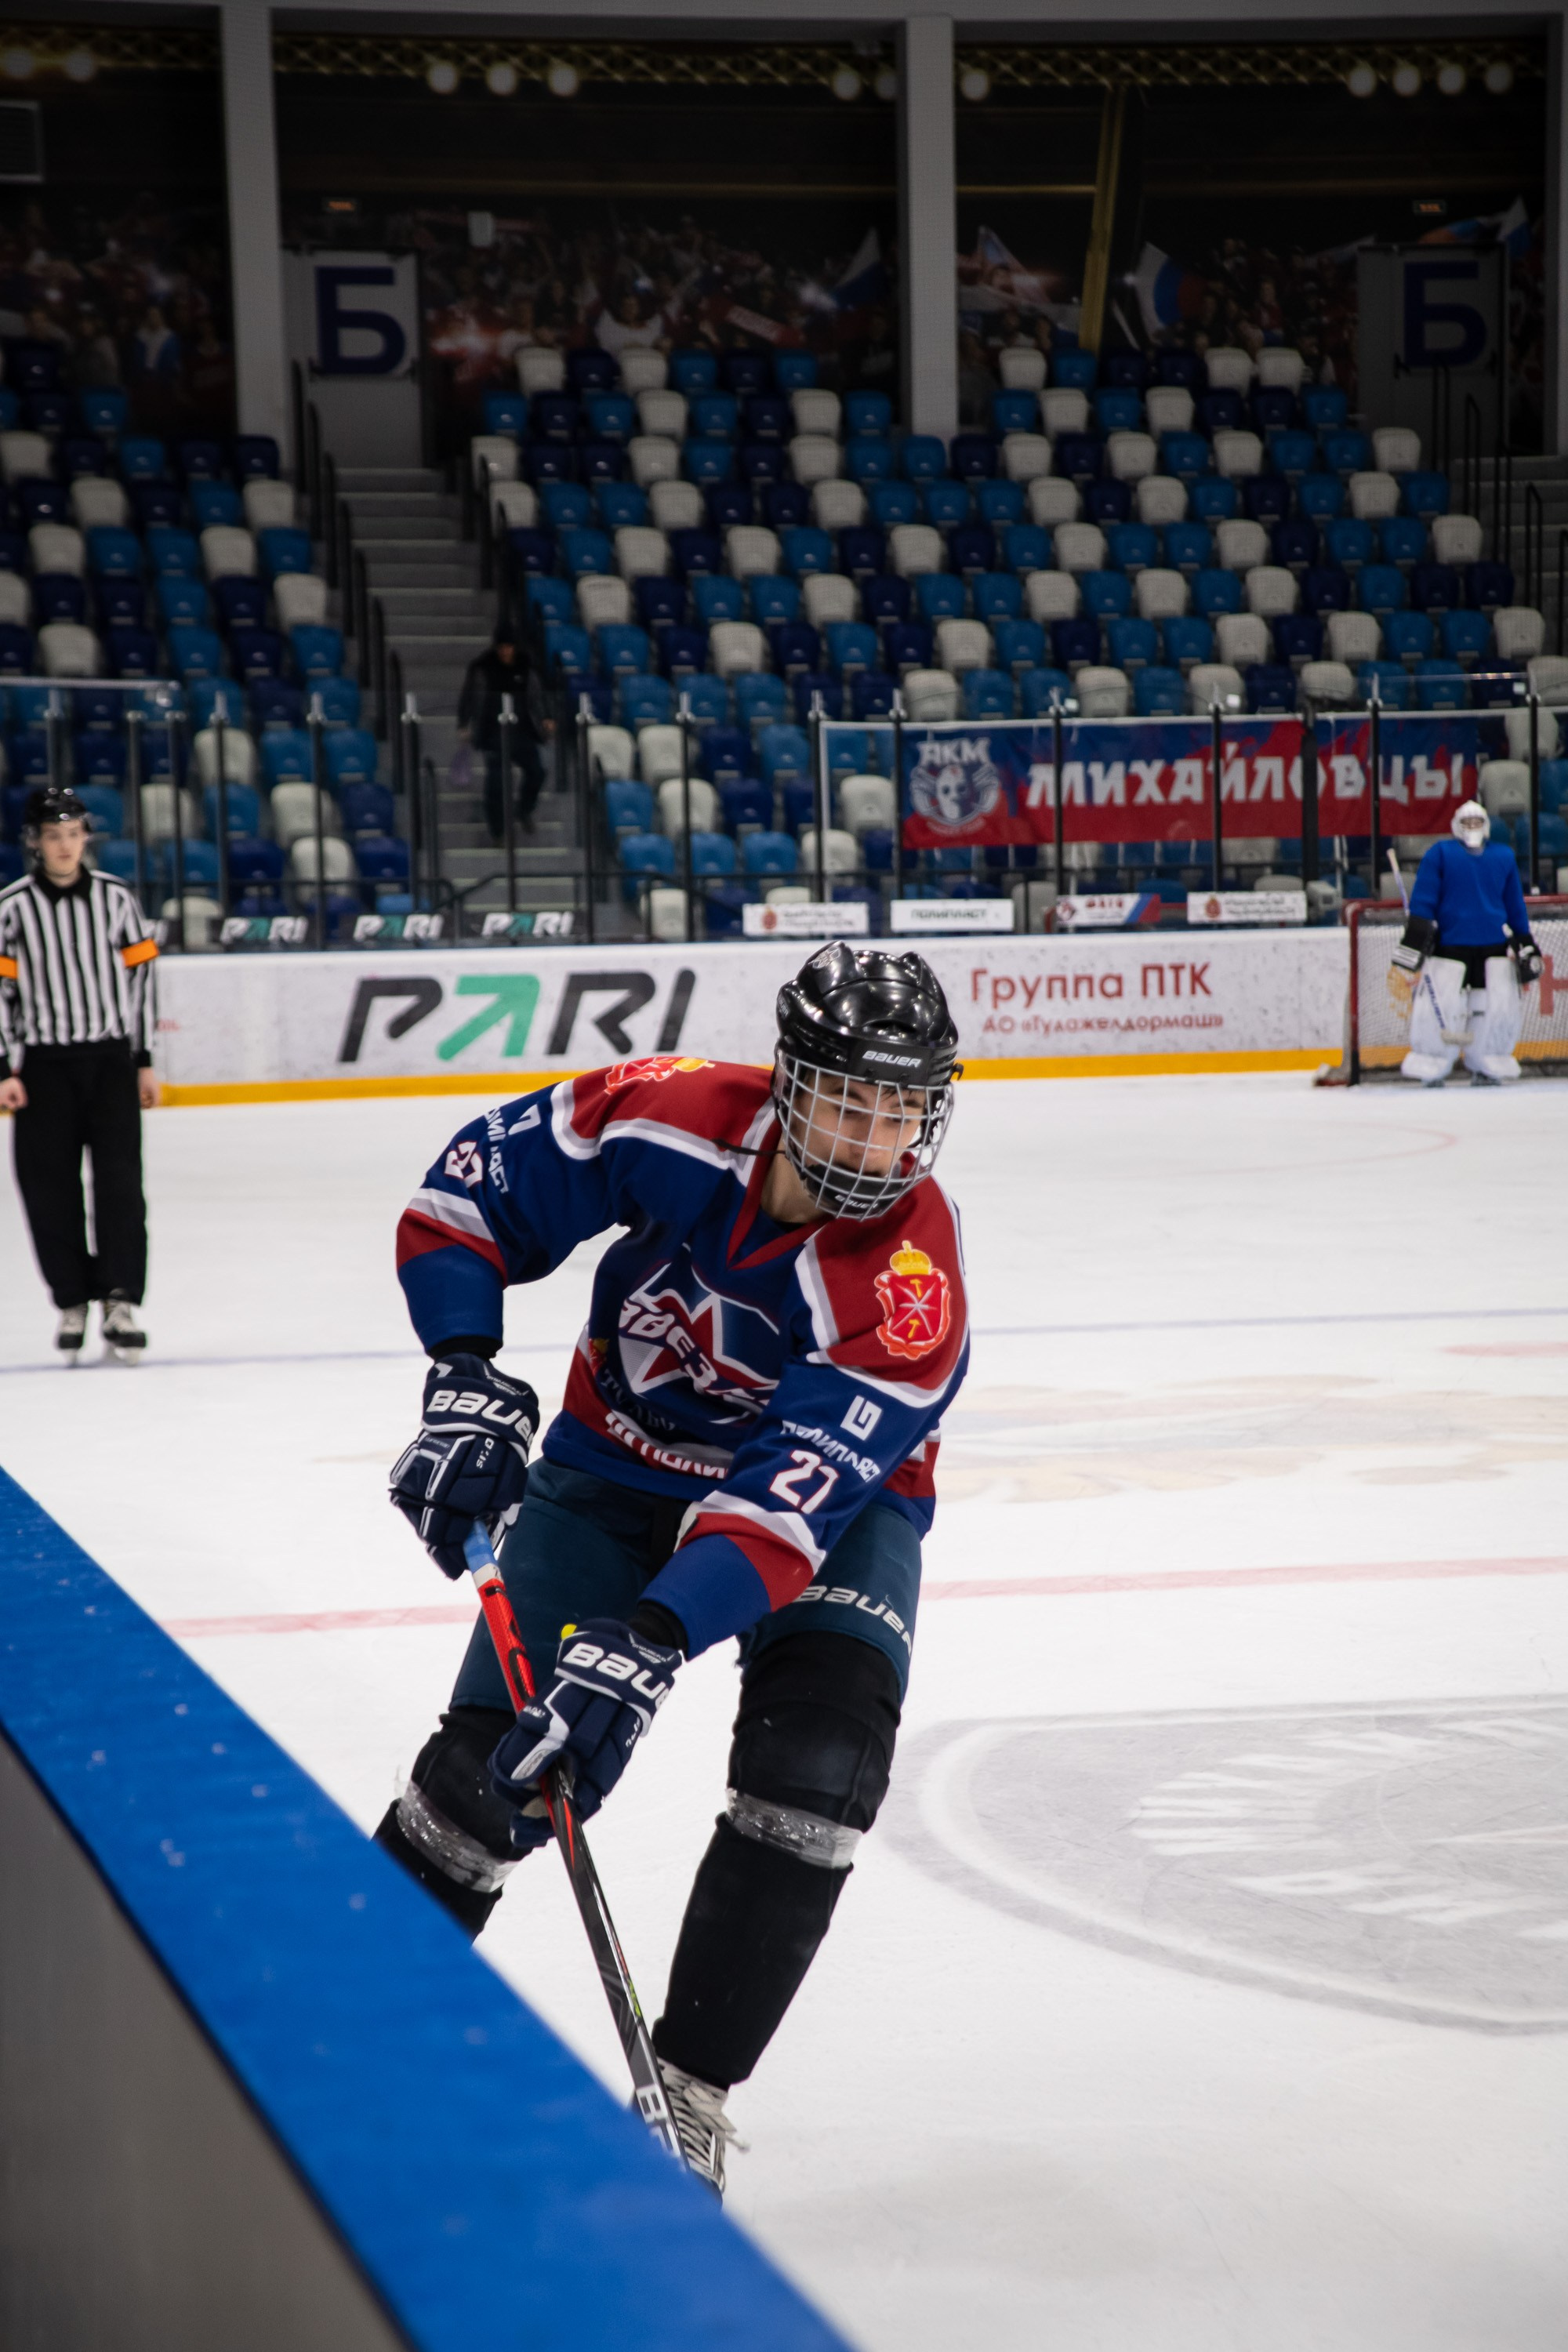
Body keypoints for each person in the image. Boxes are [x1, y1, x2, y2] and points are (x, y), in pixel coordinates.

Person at [379, 945, 969, 2193]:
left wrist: (649, 1642)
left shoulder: (912, 1291)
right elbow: (464, 1201)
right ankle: (346, 2039)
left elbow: (784, 1507)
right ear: (790, 1081)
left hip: (837, 1510)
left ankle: (689, 2089)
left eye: (904, 1109)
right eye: (851, 1101)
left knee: (817, 1775)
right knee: (484, 1784)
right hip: (614, 1464)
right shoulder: (672, 1116)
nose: (877, 1141)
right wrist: (465, 1373)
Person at [0, 786, 160, 1358]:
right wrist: (3, 1067)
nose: (65, 846)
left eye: (73, 834)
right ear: (35, 843)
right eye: (53, 836)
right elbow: (1, 991)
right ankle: (71, 1299)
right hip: (43, 1067)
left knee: (120, 1185)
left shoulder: (117, 900)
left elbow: (142, 982)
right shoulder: (12, 908)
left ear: (85, 837)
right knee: (48, 1189)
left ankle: (120, 1299)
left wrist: (143, 1061)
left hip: (110, 1061)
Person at [1393, 799, 1542, 1085]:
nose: (1472, 828)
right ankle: (1432, 1063)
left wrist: (1525, 941)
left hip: (1493, 947)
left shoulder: (1503, 857)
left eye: (1477, 823)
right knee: (1443, 1007)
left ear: (1486, 826)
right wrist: (1415, 938)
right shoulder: (1440, 854)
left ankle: (1488, 1063)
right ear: (1456, 826)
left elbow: (1514, 905)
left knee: (1493, 1007)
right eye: (1467, 823)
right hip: (1450, 946)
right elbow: (1424, 898)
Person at [455, 624, 549, 845]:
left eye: (510, 647)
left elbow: (538, 696)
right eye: (502, 647)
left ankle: (524, 809)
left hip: (522, 732)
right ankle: (497, 831)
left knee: (537, 772)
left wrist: (546, 717)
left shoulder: (526, 667)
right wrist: (464, 722)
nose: (506, 652)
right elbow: (468, 696)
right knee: (496, 783)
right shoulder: (482, 668)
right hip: (492, 733)